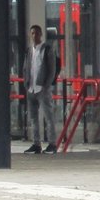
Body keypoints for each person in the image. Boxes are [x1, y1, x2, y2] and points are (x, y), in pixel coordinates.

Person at [22, 24, 58, 153]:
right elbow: (26, 67)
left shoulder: (47, 49)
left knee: (48, 116)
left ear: (41, 34)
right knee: (33, 118)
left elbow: (52, 69)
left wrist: (46, 85)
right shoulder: (29, 50)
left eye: (37, 33)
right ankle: (36, 143)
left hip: (42, 88)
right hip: (31, 88)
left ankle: (52, 143)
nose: (34, 36)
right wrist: (26, 82)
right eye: (32, 33)